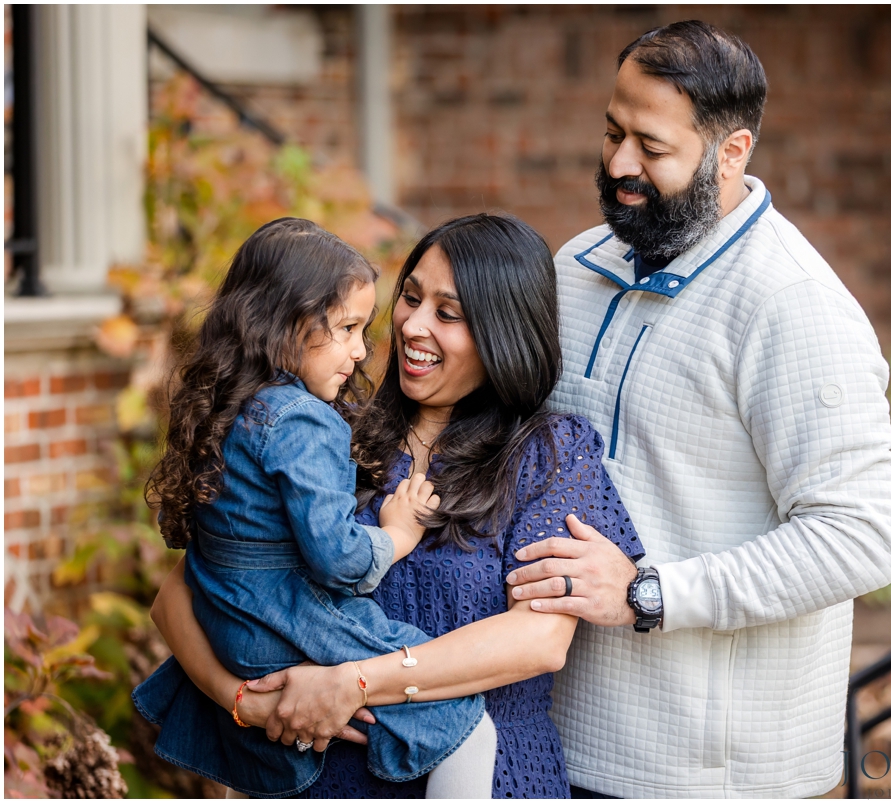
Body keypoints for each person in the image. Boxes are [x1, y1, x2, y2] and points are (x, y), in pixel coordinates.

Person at [502, 21, 891, 798]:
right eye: (612, 132)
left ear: (733, 152)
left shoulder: (794, 306)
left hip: (708, 772)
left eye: (651, 148)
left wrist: (650, 592)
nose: (620, 164)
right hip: (548, 741)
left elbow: (858, 537)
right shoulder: (573, 268)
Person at [147, 213, 645, 798]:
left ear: (502, 332)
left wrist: (353, 683)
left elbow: (538, 640)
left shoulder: (549, 455)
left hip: (481, 773)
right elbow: (188, 589)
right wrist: (242, 702)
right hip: (323, 777)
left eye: (448, 313)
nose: (412, 325)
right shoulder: (332, 435)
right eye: (410, 298)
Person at [132, 217, 496, 798]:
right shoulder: (302, 419)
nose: (360, 351)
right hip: (289, 625)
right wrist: (395, 534)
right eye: (348, 329)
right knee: (466, 728)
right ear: (285, 324)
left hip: (230, 627)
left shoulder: (228, 409)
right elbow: (336, 559)